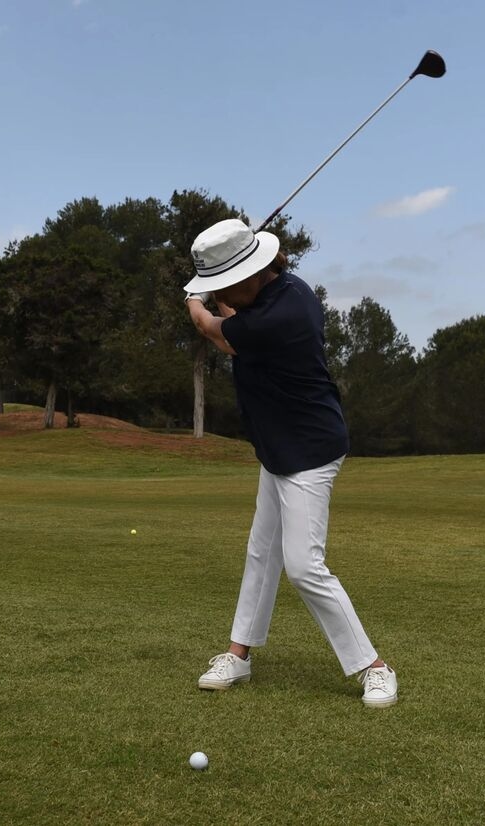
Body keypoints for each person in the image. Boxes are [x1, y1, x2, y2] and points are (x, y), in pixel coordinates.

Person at [183, 218, 398, 707]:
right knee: (262, 553)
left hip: (310, 451)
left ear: (250, 275)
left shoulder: (279, 315)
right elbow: (232, 310)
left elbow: (212, 328)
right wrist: (213, 283)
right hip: (278, 448)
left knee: (303, 566)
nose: (222, 294)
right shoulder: (281, 290)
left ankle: (374, 667)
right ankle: (239, 654)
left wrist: (193, 295)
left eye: (225, 284)